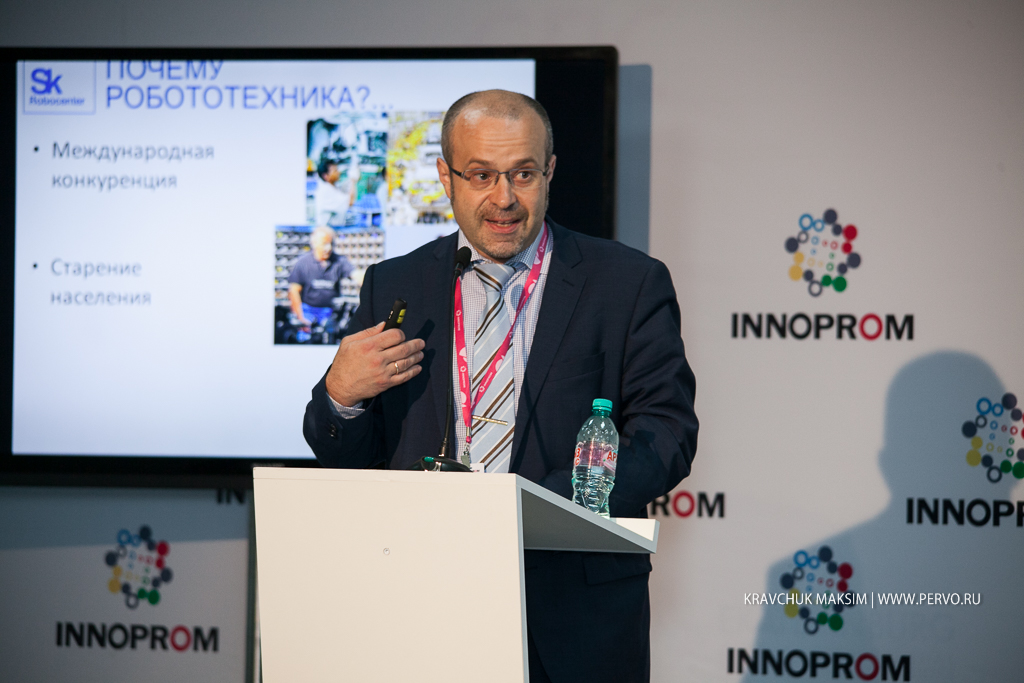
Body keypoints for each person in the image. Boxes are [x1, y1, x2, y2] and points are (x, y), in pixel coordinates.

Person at [303, 90, 698, 683]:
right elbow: (348, 455)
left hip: (571, 614)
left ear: (550, 172)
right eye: (482, 175)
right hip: (419, 595)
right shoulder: (394, 283)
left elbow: (666, 433)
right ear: (446, 177)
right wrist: (342, 395)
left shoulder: (627, 282)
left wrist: (550, 505)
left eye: (523, 174)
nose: (504, 198)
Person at [287, 226, 353, 330]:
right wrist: (300, 318)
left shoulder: (339, 261)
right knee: (306, 337)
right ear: (314, 243)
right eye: (325, 244)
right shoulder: (303, 263)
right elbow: (294, 291)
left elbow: (356, 274)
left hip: (330, 311)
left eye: (331, 244)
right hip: (308, 310)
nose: (329, 248)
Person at [313, 157, 360, 226]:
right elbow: (350, 202)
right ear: (326, 176)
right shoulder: (326, 191)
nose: (338, 172)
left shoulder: (334, 187)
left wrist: (353, 178)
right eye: (335, 171)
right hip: (327, 230)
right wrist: (353, 180)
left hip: (334, 229)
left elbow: (345, 189)